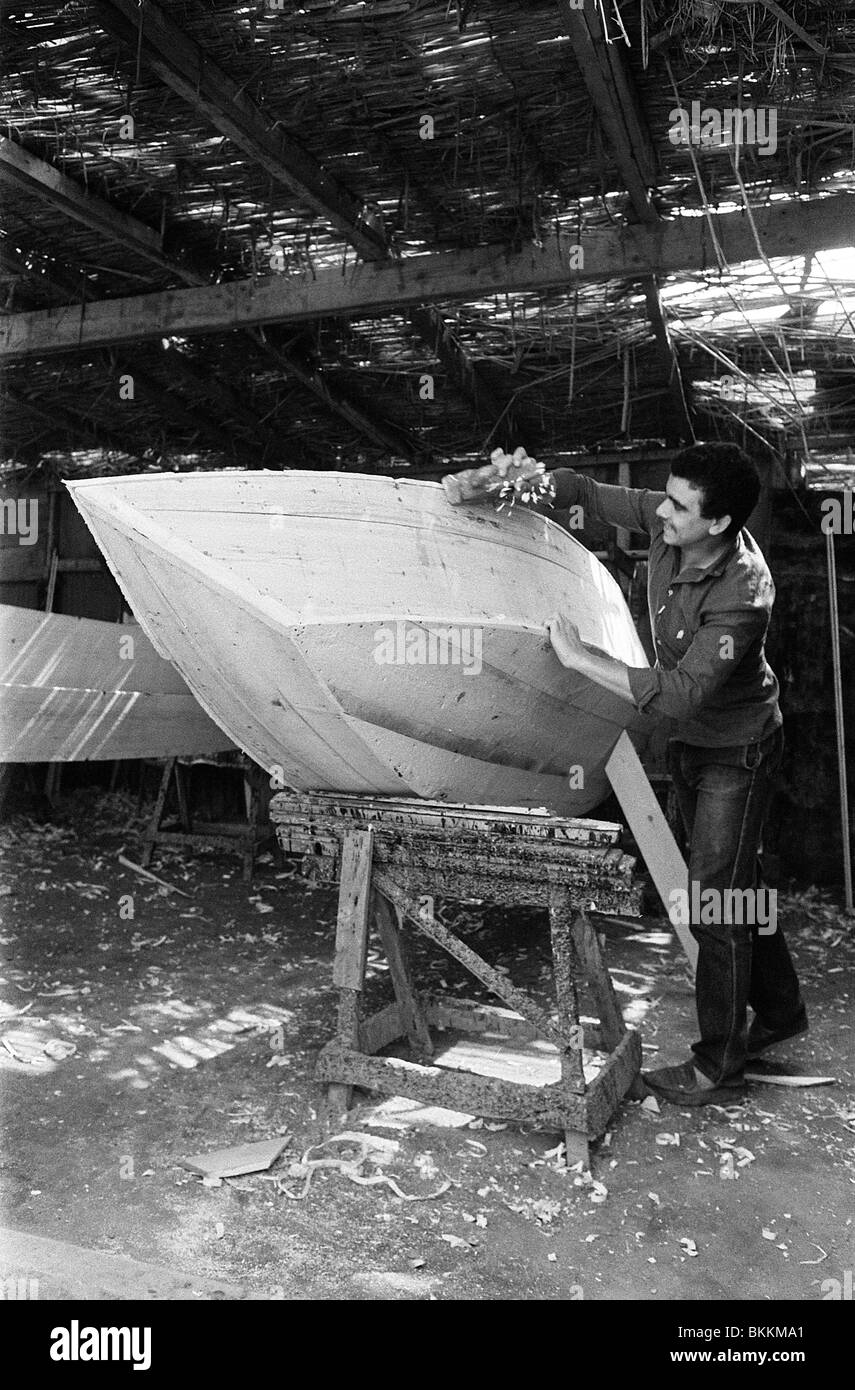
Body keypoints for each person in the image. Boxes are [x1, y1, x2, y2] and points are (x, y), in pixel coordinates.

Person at [457, 442, 807, 1105]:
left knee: (711, 900)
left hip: (736, 747)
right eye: (664, 495)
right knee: (735, 880)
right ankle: (783, 1011)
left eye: (678, 505)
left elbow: (677, 695)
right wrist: (507, 484)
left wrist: (579, 657)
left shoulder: (744, 593)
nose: (661, 512)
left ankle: (717, 1064)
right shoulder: (665, 519)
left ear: (719, 525)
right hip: (687, 742)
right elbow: (581, 488)